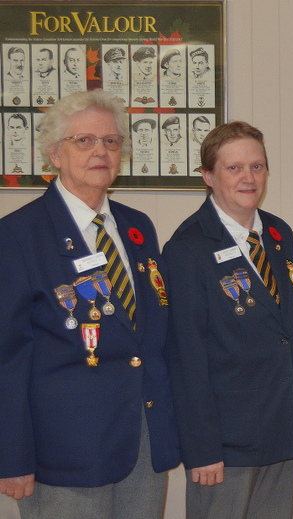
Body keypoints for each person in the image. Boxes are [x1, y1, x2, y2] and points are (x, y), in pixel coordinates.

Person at [0, 89, 180, 517]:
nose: (100, 150)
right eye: (84, 140)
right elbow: (7, 357)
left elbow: (149, 336)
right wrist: (12, 455)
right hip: (65, 451)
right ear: (54, 154)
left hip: (142, 439)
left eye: (111, 141)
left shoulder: (138, 228)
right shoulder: (18, 236)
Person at [163, 122, 293, 519]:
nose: (249, 178)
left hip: (281, 428)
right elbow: (185, 356)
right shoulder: (187, 247)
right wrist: (202, 448)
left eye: (257, 166)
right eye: (234, 168)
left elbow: (287, 328)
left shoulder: (278, 233)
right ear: (208, 176)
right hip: (225, 445)